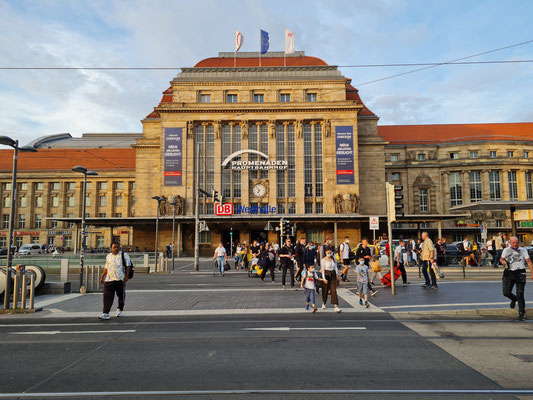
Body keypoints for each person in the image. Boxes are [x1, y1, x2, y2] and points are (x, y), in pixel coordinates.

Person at [500, 236, 533, 321]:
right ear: (510, 242)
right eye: (513, 242)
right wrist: (503, 261)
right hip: (509, 272)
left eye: (516, 242)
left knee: (520, 293)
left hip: (520, 273)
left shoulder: (523, 250)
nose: (515, 244)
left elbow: (529, 262)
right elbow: (501, 259)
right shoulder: (506, 250)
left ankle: (522, 313)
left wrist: (532, 273)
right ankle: (514, 299)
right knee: (506, 292)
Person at [98, 242, 132, 320]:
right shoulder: (108, 256)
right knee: (106, 296)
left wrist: (126, 277)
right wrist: (102, 276)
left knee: (121, 296)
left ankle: (120, 309)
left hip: (120, 279)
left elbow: (128, 266)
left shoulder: (124, 255)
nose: (116, 249)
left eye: (117, 247)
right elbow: (106, 267)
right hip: (109, 279)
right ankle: (106, 313)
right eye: (114, 247)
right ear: (111, 248)